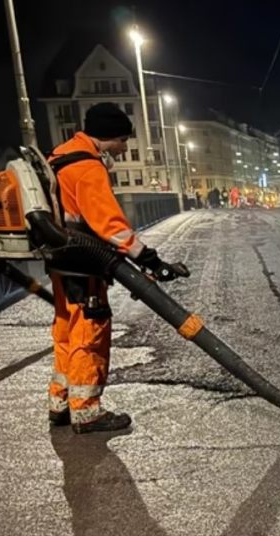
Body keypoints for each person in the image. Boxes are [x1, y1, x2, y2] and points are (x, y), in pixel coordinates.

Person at [46, 102, 185, 434]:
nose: (124, 149)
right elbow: (111, 225)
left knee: (66, 330)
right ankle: (86, 411)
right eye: (124, 141)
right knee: (88, 334)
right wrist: (146, 257)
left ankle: (60, 402)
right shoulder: (87, 167)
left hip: (61, 259)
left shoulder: (59, 157)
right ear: (111, 136)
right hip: (84, 262)